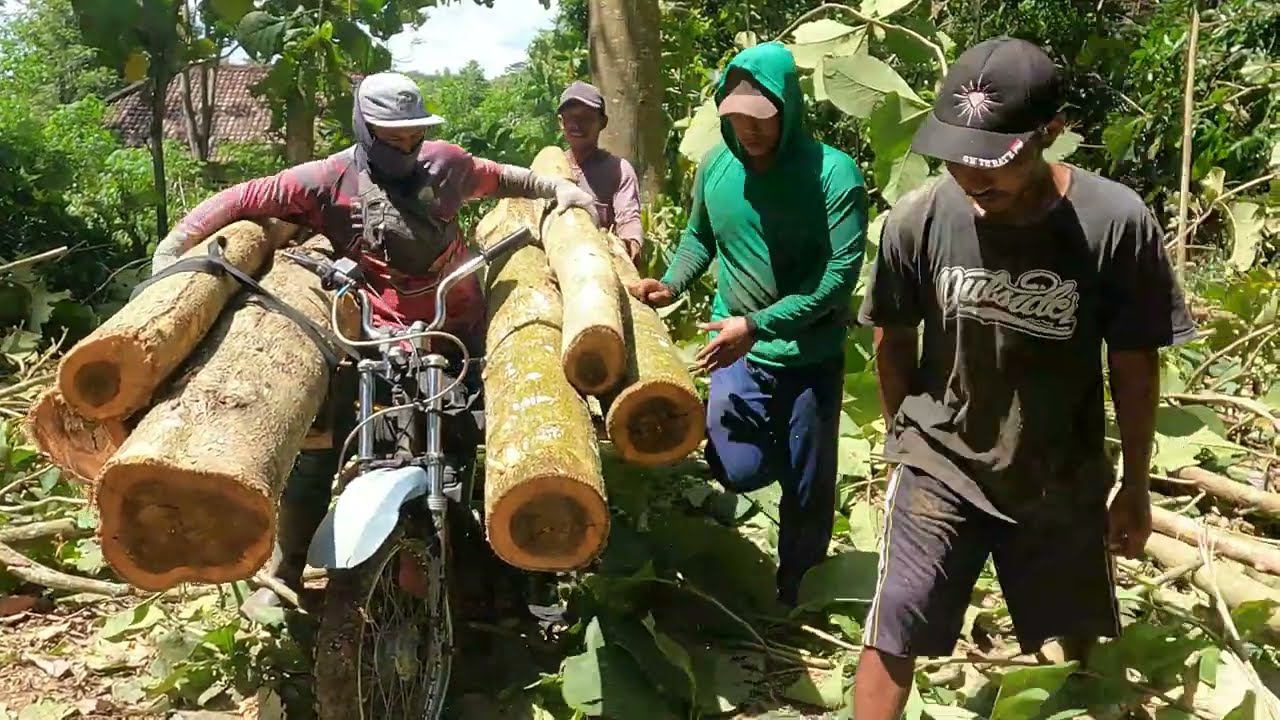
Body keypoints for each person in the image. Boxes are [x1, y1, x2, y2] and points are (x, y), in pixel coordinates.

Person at [150, 72, 598, 612]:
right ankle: (289, 565)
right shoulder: (328, 179)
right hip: (370, 333)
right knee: (322, 438)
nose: (406, 148)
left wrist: (561, 189)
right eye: (393, 138)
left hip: (455, 328)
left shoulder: (446, 165)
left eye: (413, 136)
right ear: (365, 129)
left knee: (475, 437)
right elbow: (243, 197)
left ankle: (520, 568)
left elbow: (504, 177)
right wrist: (173, 251)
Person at [853, 37, 1197, 718]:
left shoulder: (1114, 224)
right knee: (895, 618)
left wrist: (1133, 482)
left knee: (1082, 630)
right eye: (956, 157)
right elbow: (893, 343)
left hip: (1058, 470)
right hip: (940, 461)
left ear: (1051, 135)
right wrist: (903, 445)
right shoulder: (917, 219)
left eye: (994, 160)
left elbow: (1133, 363)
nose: (971, 176)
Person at [626, 42, 868, 607]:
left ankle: (798, 592)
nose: (749, 131)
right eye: (735, 117)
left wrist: (758, 323)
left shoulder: (833, 175)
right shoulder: (717, 168)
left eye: (761, 118)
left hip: (809, 355)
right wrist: (671, 283)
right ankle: (774, 462)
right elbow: (699, 239)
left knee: (808, 489)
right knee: (738, 468)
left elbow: (837, 277)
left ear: (788, 108)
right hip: (736, 350)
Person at [555, 80, 645, 263]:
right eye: (570, 118)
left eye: (586, 118)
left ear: (602, 122)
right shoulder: (551, 168)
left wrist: (631, 244)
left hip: (600, 263)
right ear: (560, 123)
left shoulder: (618, 170)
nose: (577, 125)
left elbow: (628, 217)